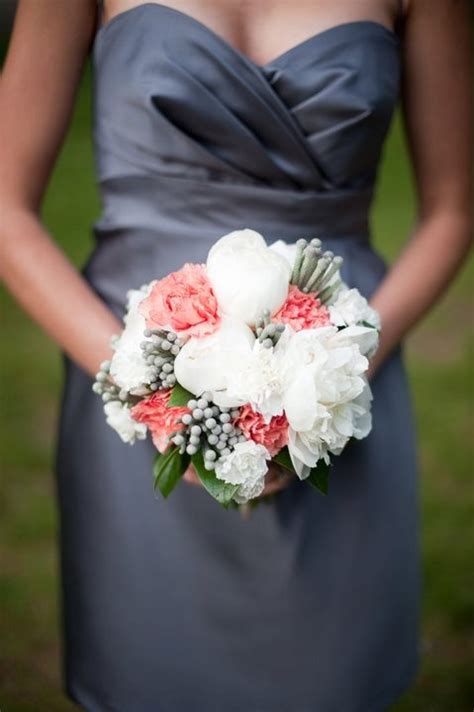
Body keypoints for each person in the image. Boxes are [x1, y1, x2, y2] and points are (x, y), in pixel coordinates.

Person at [0, 0, 471, 710]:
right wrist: (152, 391)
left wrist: (330, 375)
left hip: (340, 388)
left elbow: (454, 209)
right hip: (126, 391)